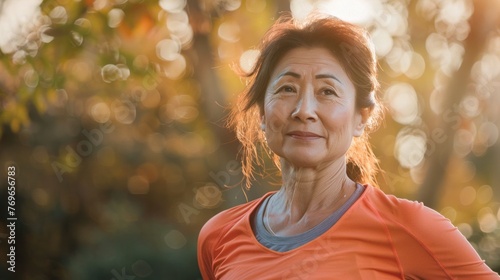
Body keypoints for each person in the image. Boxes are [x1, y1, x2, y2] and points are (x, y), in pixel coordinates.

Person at [197, 13, 499, 279]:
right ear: (262, 113)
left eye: (327, 91)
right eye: (287, 88)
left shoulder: (408, 228)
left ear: (360, 117)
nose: (304, 110)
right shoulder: (218, 236)